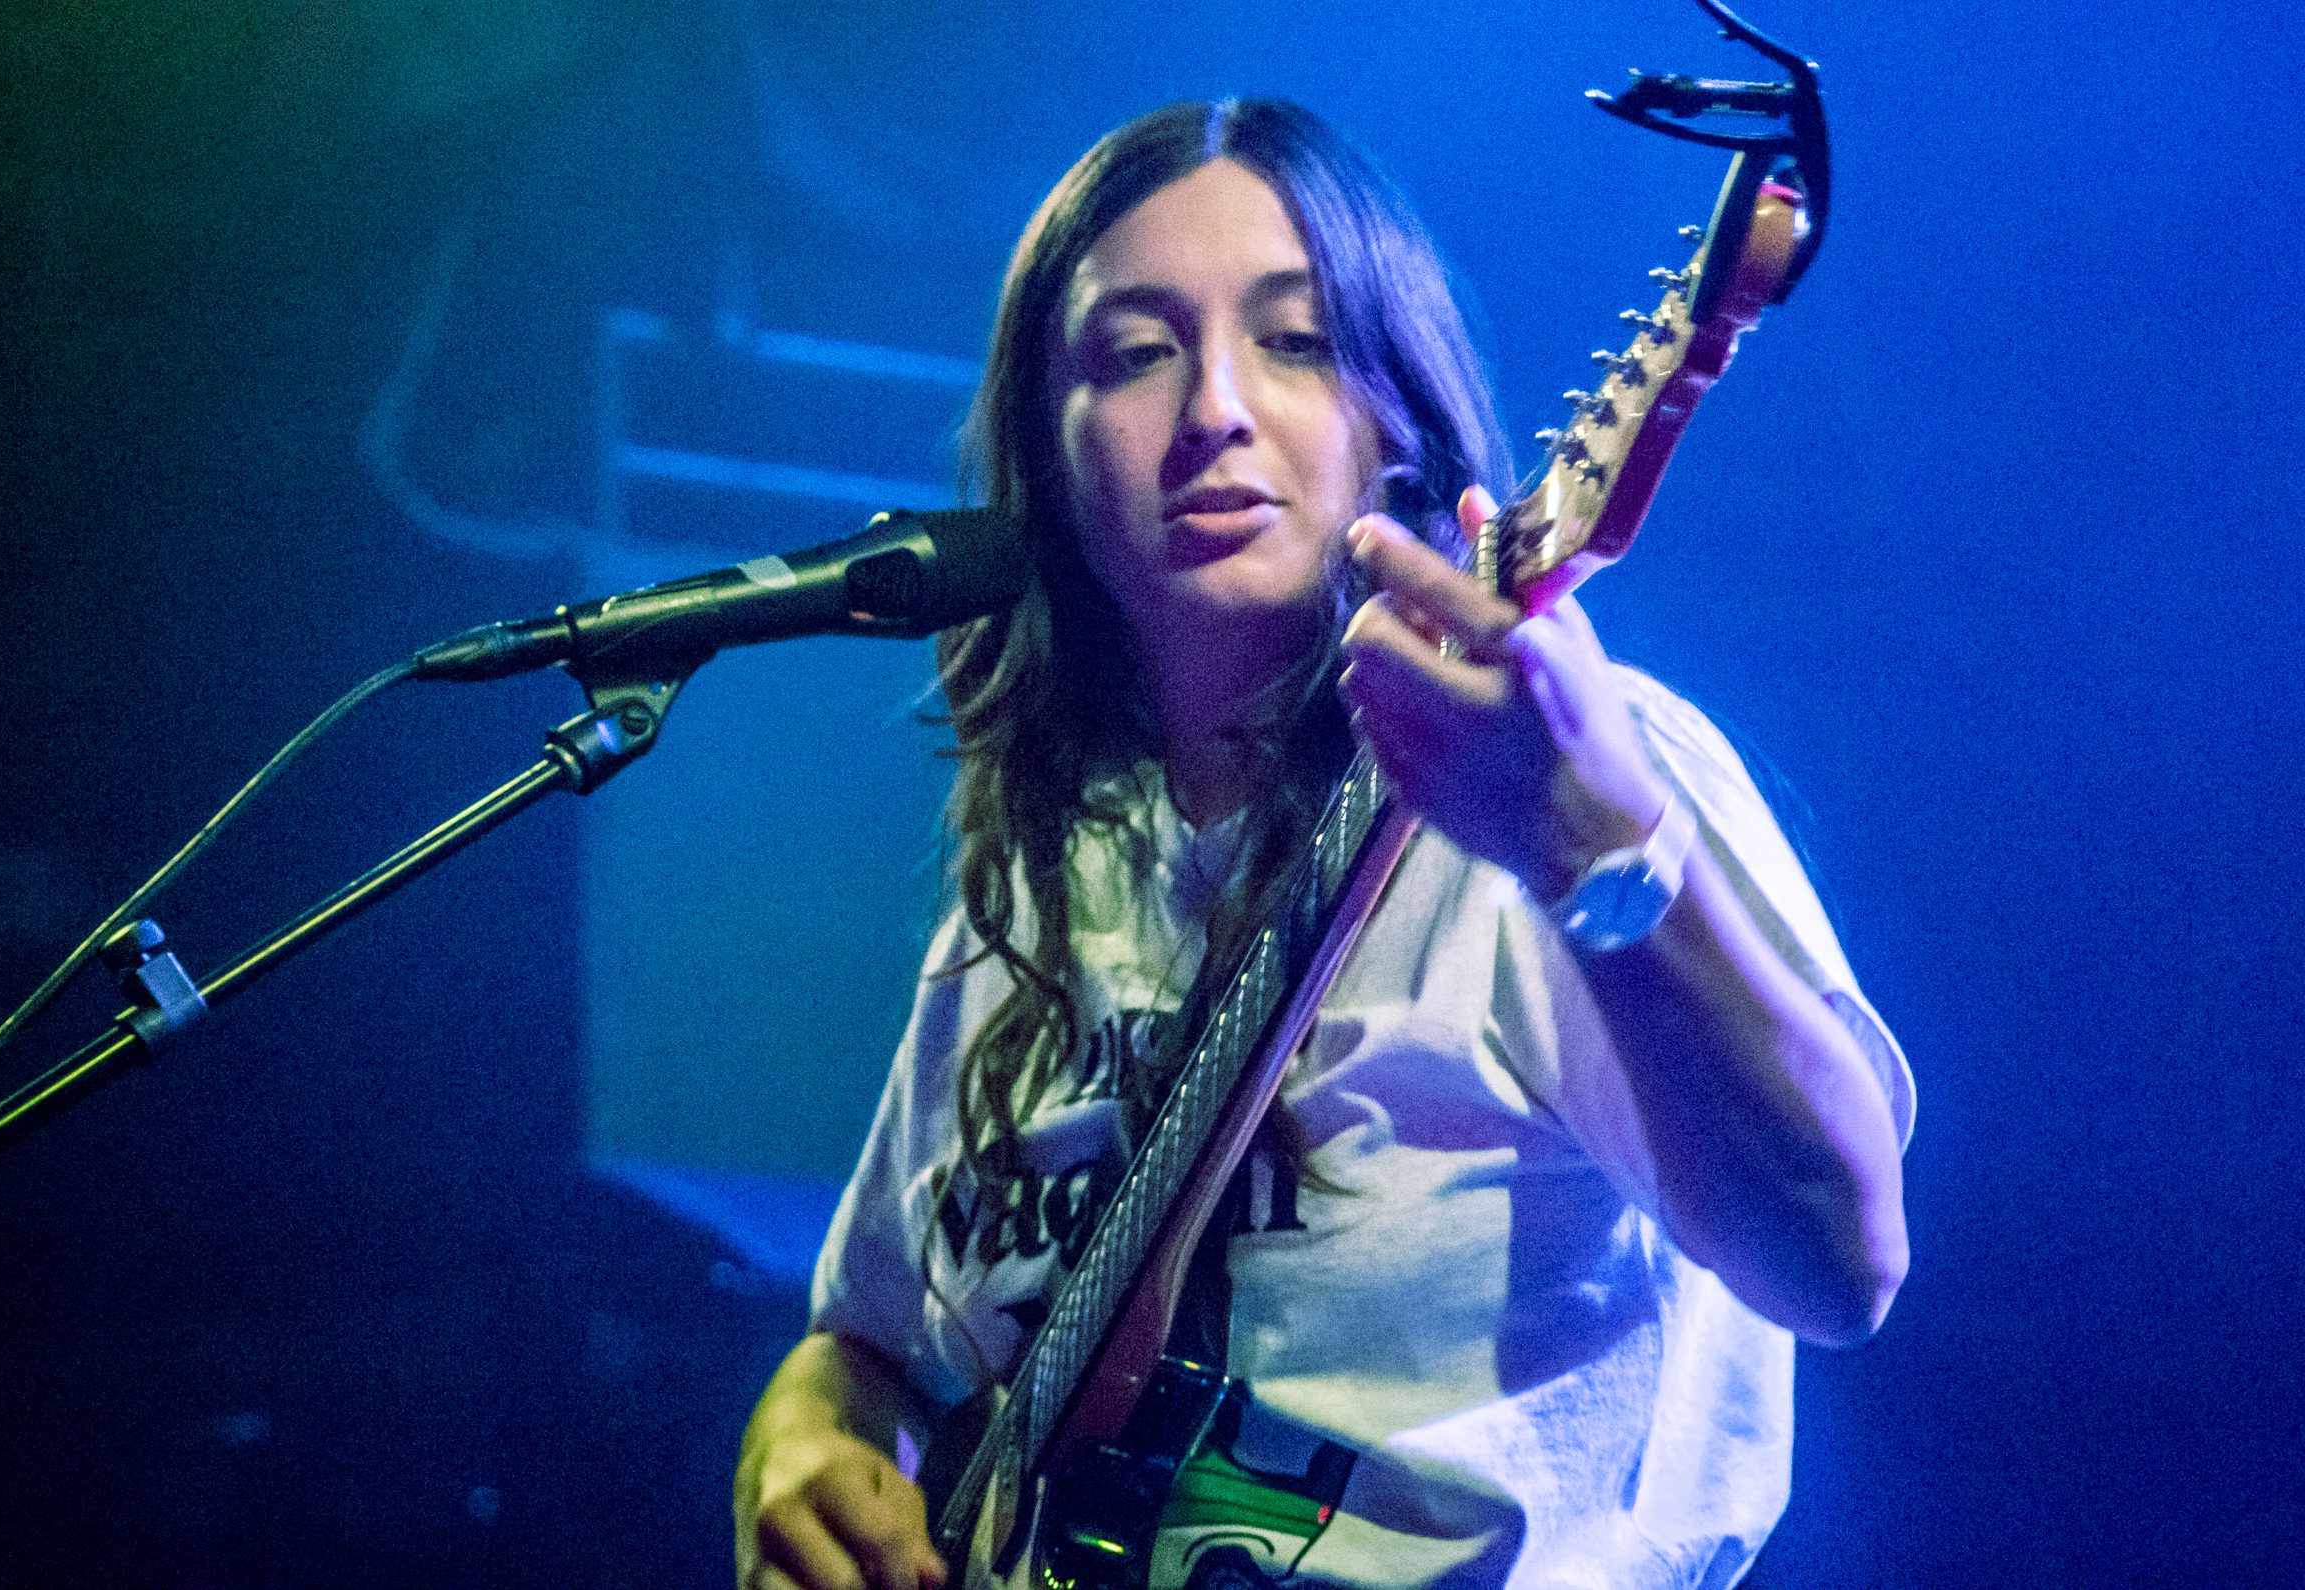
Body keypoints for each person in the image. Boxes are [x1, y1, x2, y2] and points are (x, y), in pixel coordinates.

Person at [734, 99, 1913, 1590]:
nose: (1214, 408)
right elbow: (866, 1344)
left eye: (1295, 341)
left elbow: (1840, 1259)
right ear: (1050, 453)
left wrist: (1595, 844)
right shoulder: (1050, 865)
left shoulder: (1577, 770)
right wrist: (799, 1435)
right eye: (1134, 353)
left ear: (1395, 416)